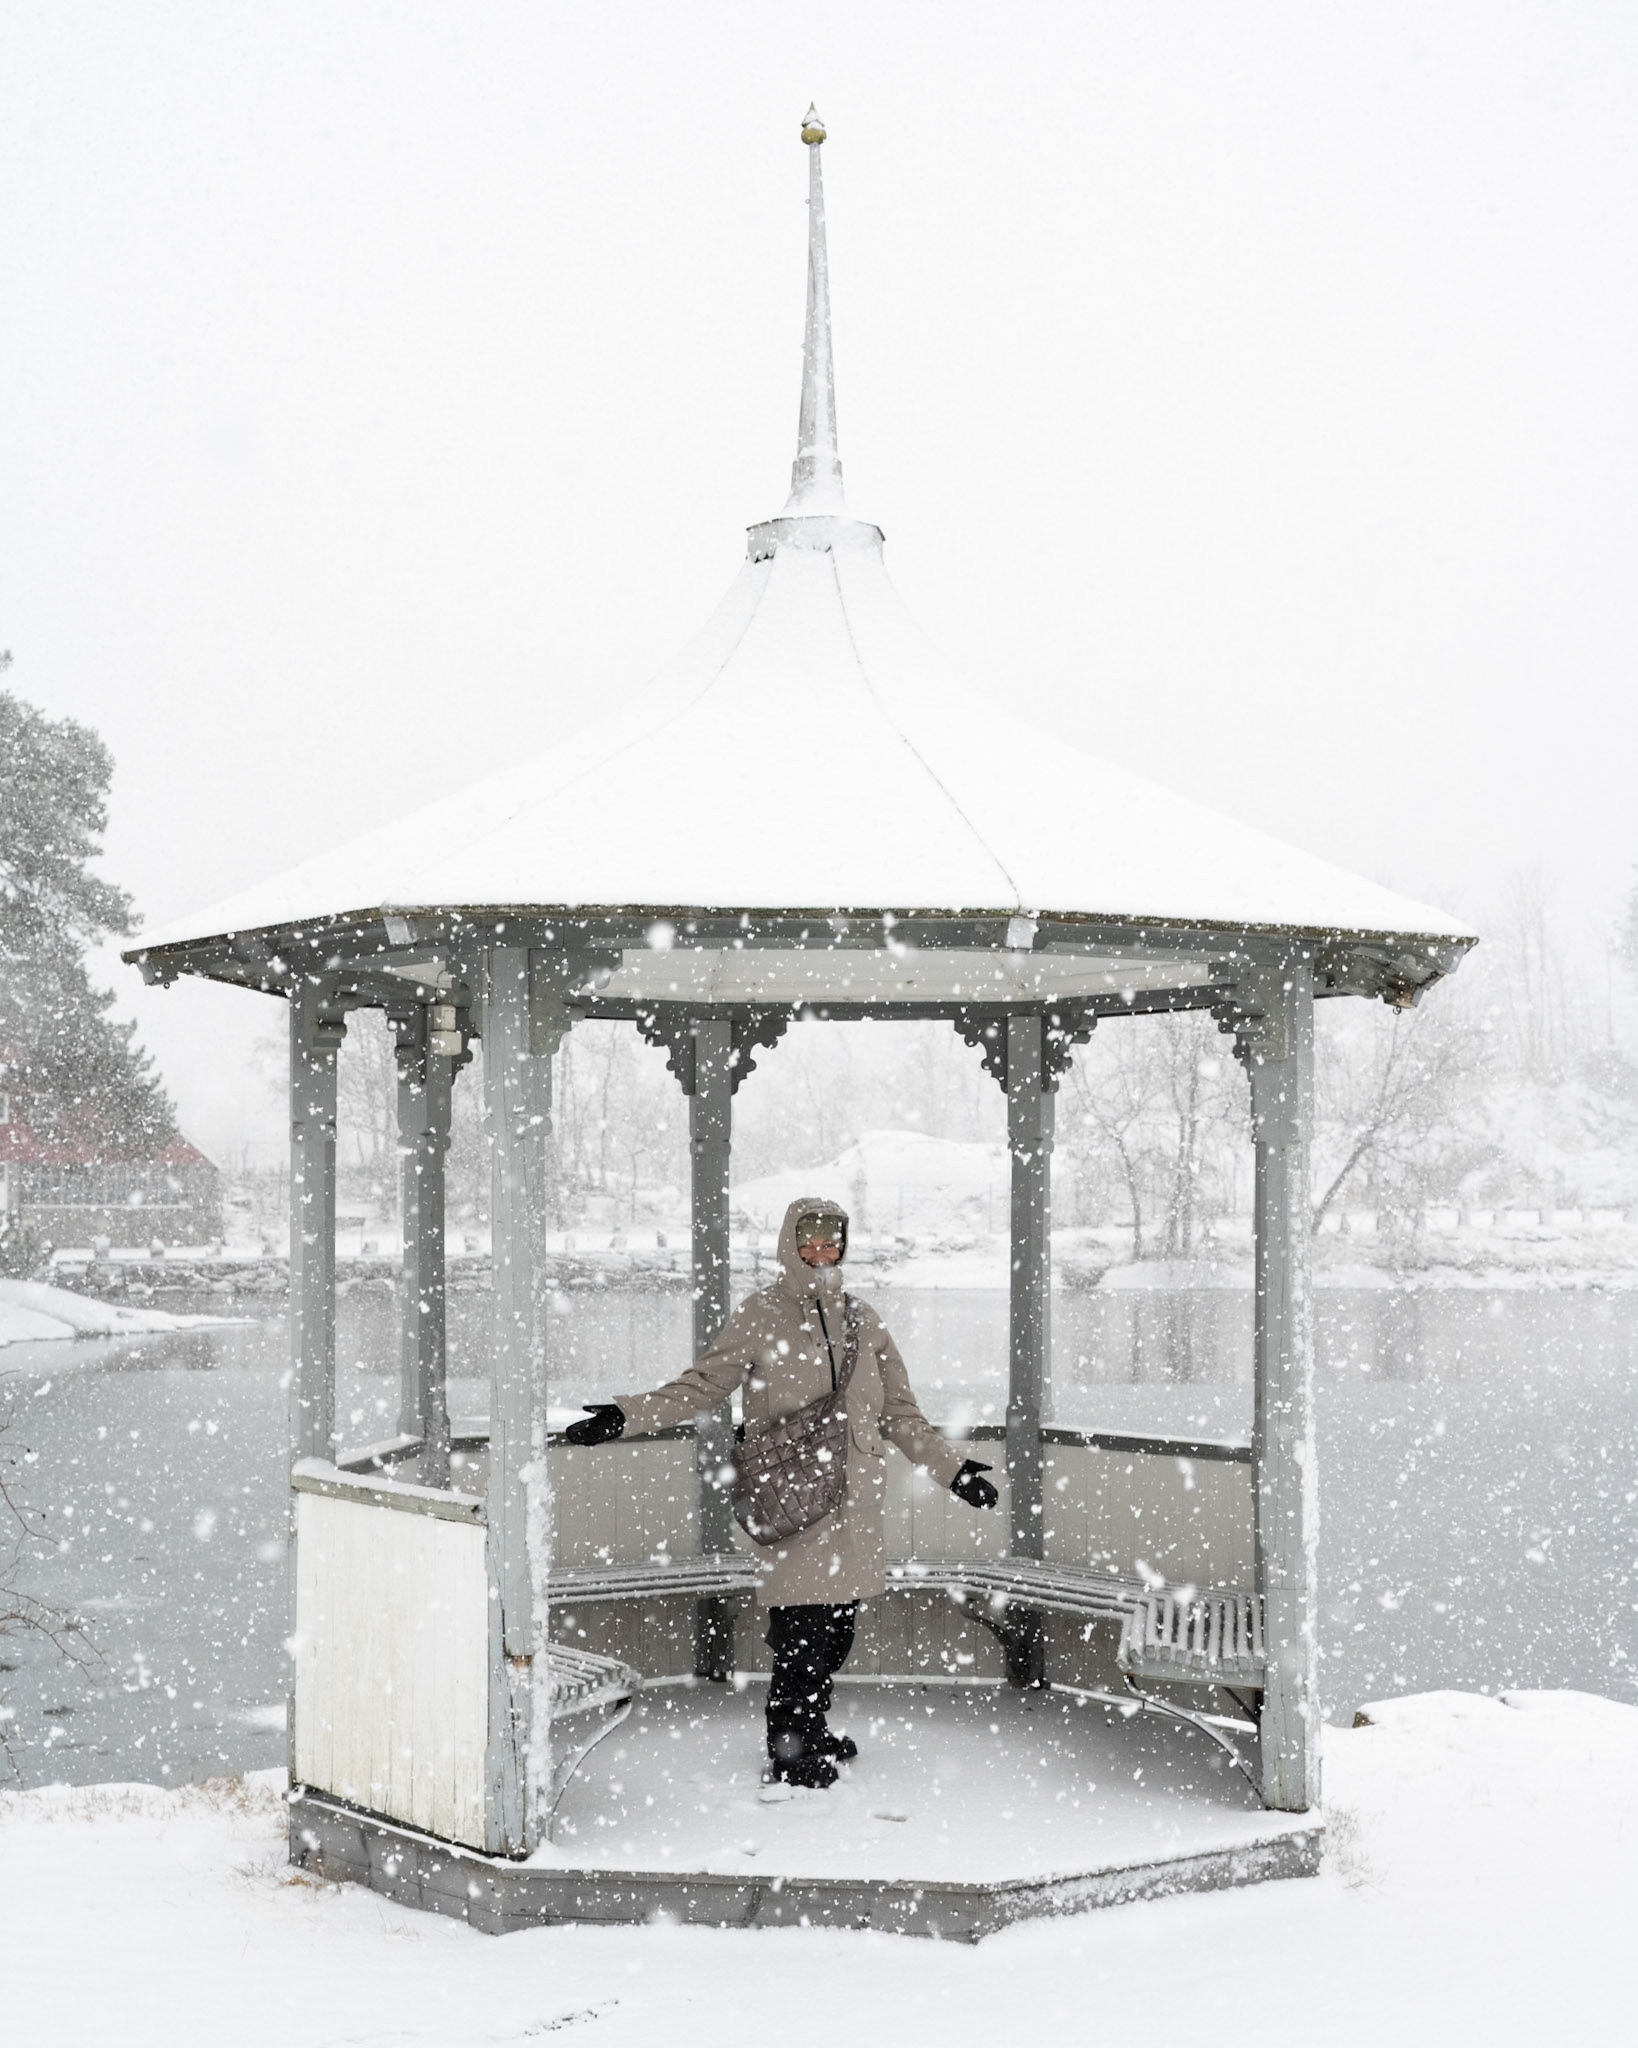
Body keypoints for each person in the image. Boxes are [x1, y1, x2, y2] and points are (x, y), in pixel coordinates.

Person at [564, 1195, 999, 1791]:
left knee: (837, 1629)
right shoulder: (761, 1314)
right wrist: (626, 1414)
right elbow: (703, 1386)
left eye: (831, 1241)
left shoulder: (864, 1320)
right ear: (788, 1243)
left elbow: (899, 1412)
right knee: (801, 1630)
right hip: (792, 1499)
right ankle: (788, 1746)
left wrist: (954, 1470)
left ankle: (811, 1726)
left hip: (854, 1502)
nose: (821, 1252)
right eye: (809, 1241)